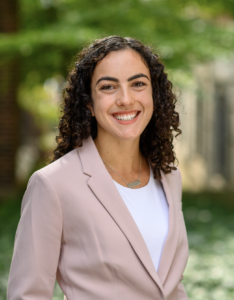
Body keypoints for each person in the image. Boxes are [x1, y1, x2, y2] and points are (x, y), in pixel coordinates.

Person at [7, 36, 189, 300]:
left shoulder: (169, 176)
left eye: (138, 84)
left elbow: (170, 285)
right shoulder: (53, 185)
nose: (126, 99)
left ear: (154, 94)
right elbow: (28, 294)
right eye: (108, 87)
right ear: (89, 103)